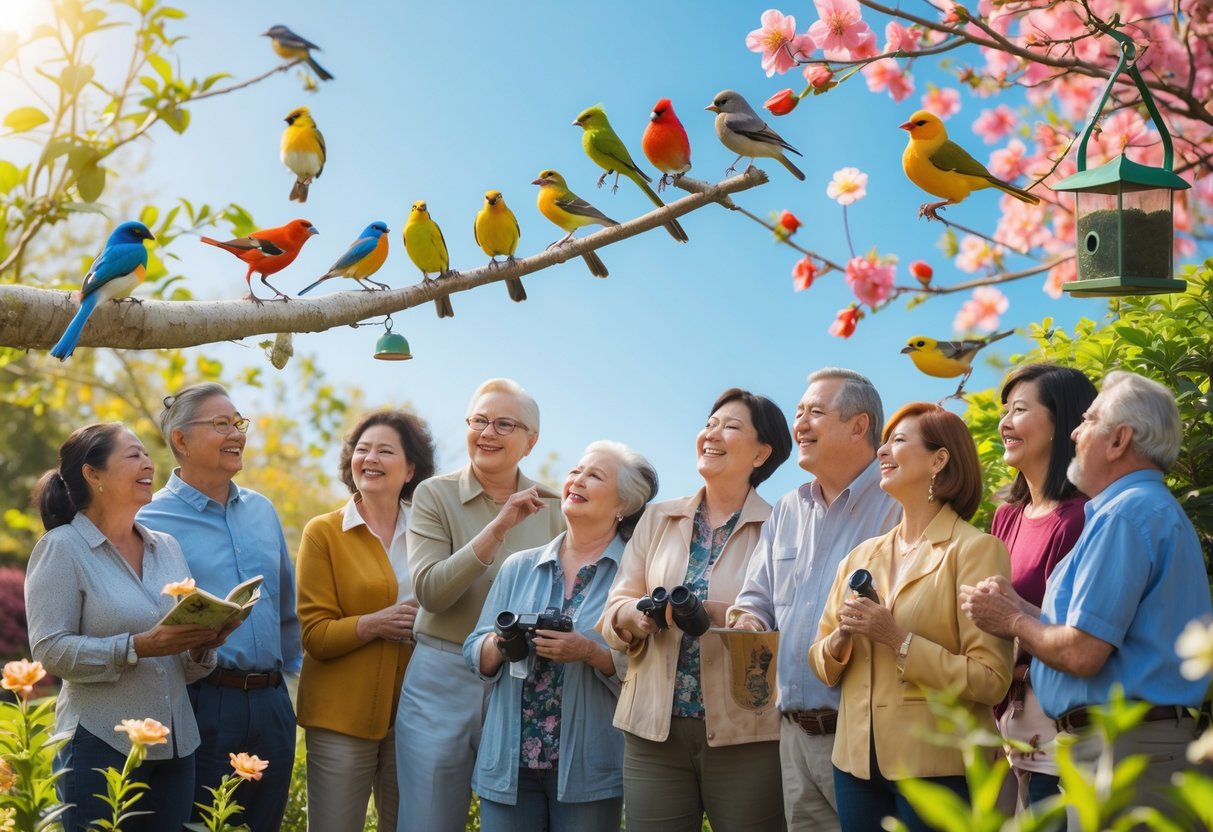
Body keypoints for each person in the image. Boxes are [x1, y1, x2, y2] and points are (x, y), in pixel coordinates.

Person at [962, 371, 1213, 827]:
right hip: (1125, 745)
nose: (1076, 433)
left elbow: (1082, 651)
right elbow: (1102, 632)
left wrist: (1013, 622)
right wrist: (1019, 609)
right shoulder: (1134, 510)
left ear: (1118, 440)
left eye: (1088, 421)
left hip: (1127, 749)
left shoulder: (1125, 515)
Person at [808, 403, 1013, 832]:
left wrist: (897, 639)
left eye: (898, 441)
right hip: (854, 766)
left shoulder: (976, 550)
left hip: (939, 770)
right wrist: (843, 635)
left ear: (939, 460)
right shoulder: (861, 556)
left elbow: (991, 678)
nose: (883, 452)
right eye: (884, 443)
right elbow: (821, 663)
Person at [600, 388, 793, 832]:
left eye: (730, 426)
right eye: (709, 424)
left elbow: (792, 620)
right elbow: (617, 602)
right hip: (653, 728)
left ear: (762, 452)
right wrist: (632, 616)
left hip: (747, 731)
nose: (711, 433)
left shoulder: (781, 524)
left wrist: (723, 614)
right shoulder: (657, 518)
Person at [25, 423, 232, 832]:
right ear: (93, 474)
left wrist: (201, 645)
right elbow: (51, 651)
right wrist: (138, 645)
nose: (148, 464)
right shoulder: (62, 548)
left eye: (147, 455)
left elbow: (181, 665)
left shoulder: (167, 547)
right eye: (133, 455)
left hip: (176, 747)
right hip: (99, 745)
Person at [730, 368, 900, 831]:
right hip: (792, 736)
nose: (799, 424)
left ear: (859, 425)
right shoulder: (787, 509)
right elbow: (755, 601)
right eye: (799, 412)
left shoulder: (897, 502)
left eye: (815, 413)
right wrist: (746, 623)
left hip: (865, 734)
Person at [397, 378, 564, 832]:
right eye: (479, 421)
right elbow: (431, 591)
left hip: (519, 683)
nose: (487, 433)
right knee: (427, 820)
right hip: (440, 680)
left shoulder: (554, 508)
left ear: (531, 441)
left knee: (514, 818)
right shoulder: (434, 494)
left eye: (504, 424)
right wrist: (498, 528)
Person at [465, 441, 659, 832]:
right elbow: (474, 651)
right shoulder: (518, 566)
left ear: (624, 505)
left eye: (595, 475)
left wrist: (589, 651)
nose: (577, 479)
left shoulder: (638, 575)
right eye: (576, 470)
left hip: (589, 770)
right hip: (509, 764)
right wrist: (503, 645)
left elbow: (652, 671)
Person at [138, 383, 303, 832]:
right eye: (221, 424)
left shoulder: (262, 511)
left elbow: (287, 610)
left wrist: (289, 693)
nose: (236, 434)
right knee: (200, 824)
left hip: (271, 705)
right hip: (200, 701)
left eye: (238, 423)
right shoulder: (146, 519)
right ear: (181, 440)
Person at [296, 410, 437, 832]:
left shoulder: (433, 534)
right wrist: (374, 624)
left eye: (385, 451)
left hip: (416, 718)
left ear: (410, 468)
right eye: (362, 449)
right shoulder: (323, 532)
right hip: (340, 719)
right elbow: (314, 634)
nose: (370, 458)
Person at [989, 363, 1096, 811]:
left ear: (1063, 424)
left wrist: (1010, 617)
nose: (1005, 423)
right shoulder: (1006, 516)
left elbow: (1080, 636)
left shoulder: (1081, 517)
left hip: (1057, 737)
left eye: (1019, 410)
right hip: (1004, 732)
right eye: (1005, 411)